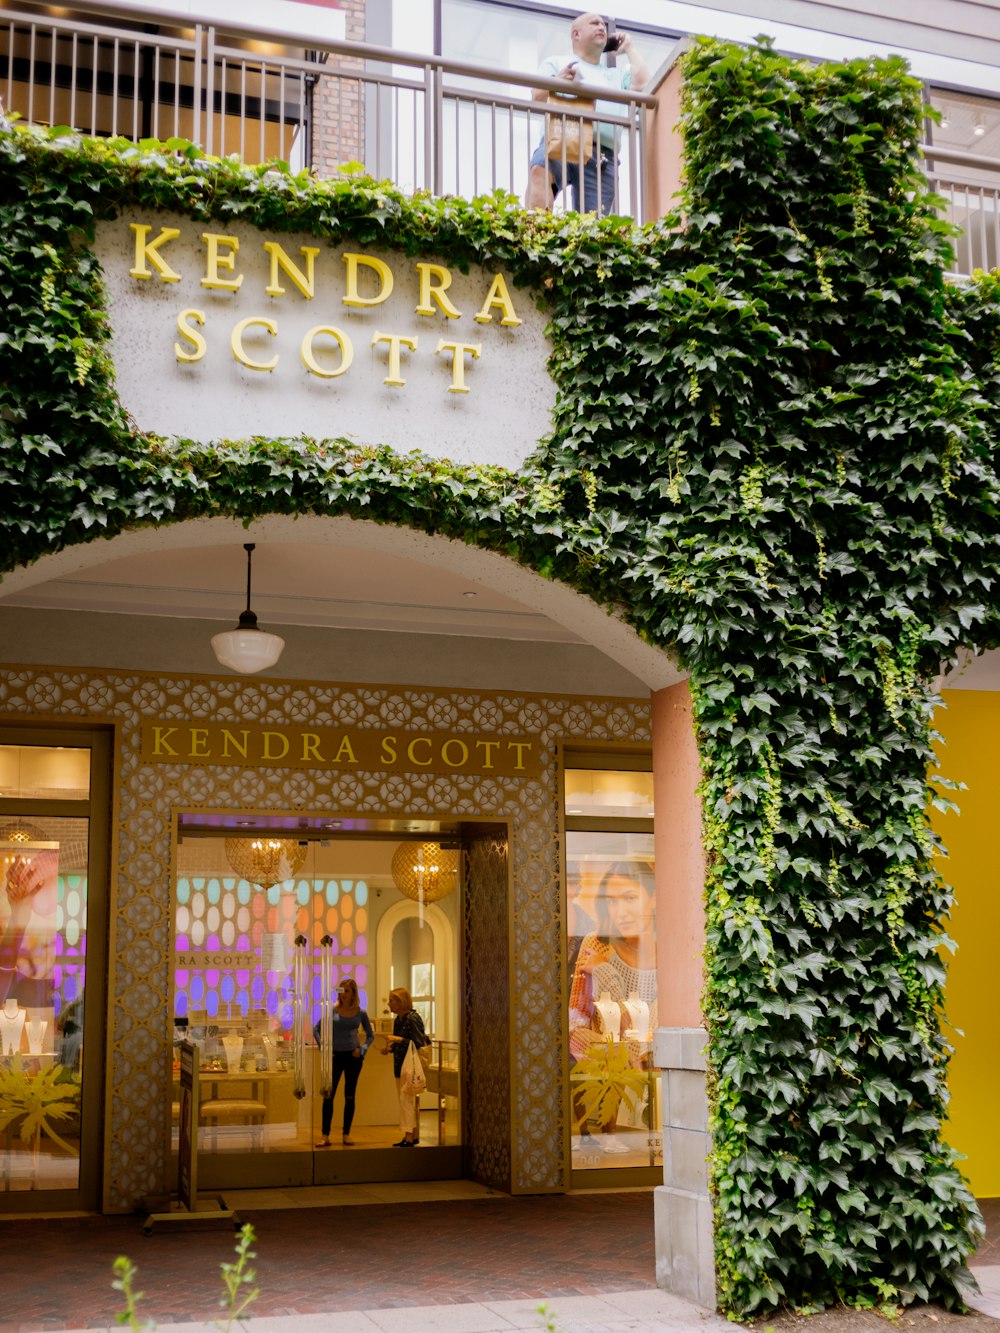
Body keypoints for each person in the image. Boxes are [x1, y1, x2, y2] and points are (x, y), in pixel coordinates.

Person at [568, 860, 656, 1153]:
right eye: (612, 902)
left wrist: (603, 971)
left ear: (653, 897)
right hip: (602, 1035)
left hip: (648, 1040)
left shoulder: (668, 944)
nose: (620, 911)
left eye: (630, 898)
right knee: (607, 1057)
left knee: (622, 1053)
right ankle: (594, 1132)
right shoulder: (597, 942)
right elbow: (579, 1005)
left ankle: (608, 1133)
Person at [525, 12, 649, 217]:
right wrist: (558, 80)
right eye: (594, 23)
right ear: (576, 34)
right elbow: (536, 98)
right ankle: (538, 233)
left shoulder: (615, 75)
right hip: (562, 136)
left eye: (603, 25)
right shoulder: (557, 62)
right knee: (539, 170)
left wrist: (630, 48)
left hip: (602, 154)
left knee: (593, 223)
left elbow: (642, 86)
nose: (602, 27)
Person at [313, 976, 374, 1147]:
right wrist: (323, 1047)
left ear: (353, 993)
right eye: (341, 990)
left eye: (346, 991)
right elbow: (316, 1029)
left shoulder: (361, 1013)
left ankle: (346, 1134)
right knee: (328, 1096)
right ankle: (325, 1135)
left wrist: (361, 1050)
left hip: (353, 1058)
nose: (343, 994)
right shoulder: (332, 1011)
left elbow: (371, 1036)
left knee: (349, 1096)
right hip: (334, 1057)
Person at [381, 986, 428, 1147]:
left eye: (392, 1000)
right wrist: (389, 1048)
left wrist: (397, 1040)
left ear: (401, 1002)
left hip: (410, 1066)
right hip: (400, 1065)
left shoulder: (412, 1018)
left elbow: (418, 1042)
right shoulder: (398, 1020)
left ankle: (409, 1136)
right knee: (404, 1100)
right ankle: (410, 1135)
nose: (389, 1004)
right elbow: (401, 1043)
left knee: (406, 1100)